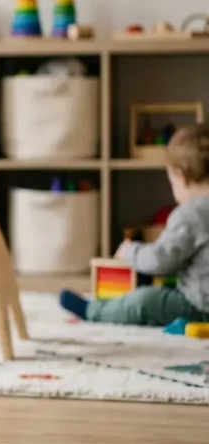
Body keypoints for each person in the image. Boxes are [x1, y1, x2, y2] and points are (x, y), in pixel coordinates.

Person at [61, 124, 209, 325]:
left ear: (181, 176)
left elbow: (160, 260)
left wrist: (131, 251)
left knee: (145, 301)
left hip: (200, 307)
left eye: (172, 183)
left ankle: (93, 310)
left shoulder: (191, 214)